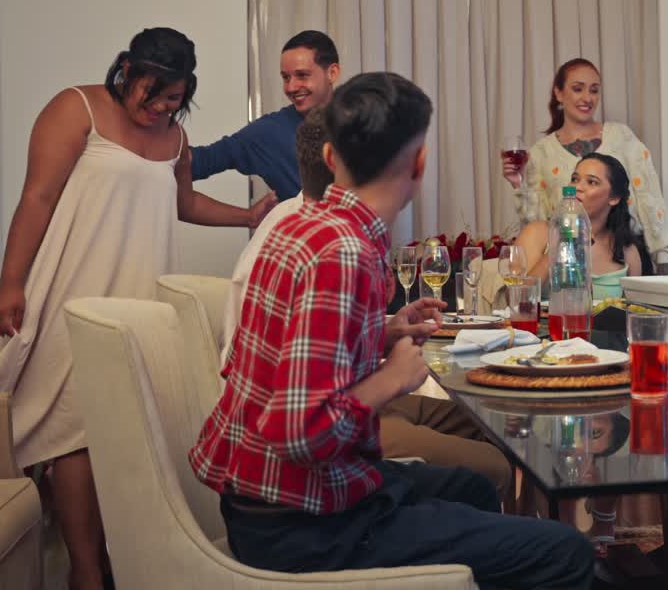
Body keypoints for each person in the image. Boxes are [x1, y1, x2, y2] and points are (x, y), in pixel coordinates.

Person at [190, 72, 594, 589]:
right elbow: (299, 434)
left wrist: (382, 332)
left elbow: (297, 349)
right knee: (566, 553)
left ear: (330, 157)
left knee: (472, 487)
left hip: (258, 498)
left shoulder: (301, 225)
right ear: (419, 164)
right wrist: (393, 378)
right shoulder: (344, 252)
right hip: (302, 524)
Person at [0, 27, 276, 590]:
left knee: (121, 425)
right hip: (73, 288)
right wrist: (10, 283)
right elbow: (37, 197)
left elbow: (183, 202)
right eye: (152, 94)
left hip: (137, 295)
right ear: (127, 72)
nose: (160, 108)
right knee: (73, 428)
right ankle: (86, 572)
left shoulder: (175, 137)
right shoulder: (76, 108)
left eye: (173, 99)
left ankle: (110, 559)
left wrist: (246, 217)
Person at [219, 103, 512, 494]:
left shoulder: (314, 226)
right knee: (491, 467)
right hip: (301, 457)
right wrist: (392, 378)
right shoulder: (331, 248)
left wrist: (384, 335)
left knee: (496, 428)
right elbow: (300, 423)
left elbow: (313, 347)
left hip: (330, 407)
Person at [503, 58, 668, 268]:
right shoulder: (541, 152)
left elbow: (650, 198)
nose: (587, 98)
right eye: (578, 89)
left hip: (625, 255)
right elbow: (538, 222)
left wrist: (664, 260)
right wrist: (519, 184)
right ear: (558, 93)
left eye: (594, 90)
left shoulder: (622, 137)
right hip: (569, 263)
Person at [189, 29, 341, 201]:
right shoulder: (269, 133)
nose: (291, 87)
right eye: (286, 77)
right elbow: (200, 162)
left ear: (332, 73)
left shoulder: (361, 121)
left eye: (302, 75)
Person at [513, 153, 651, 300]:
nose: (577, 187)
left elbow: (633, 309)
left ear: (614, 198)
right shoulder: (537, 233)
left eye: (592, 182)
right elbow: (517, 299)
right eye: (574, 179)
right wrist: (558, 246)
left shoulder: (627, 250)